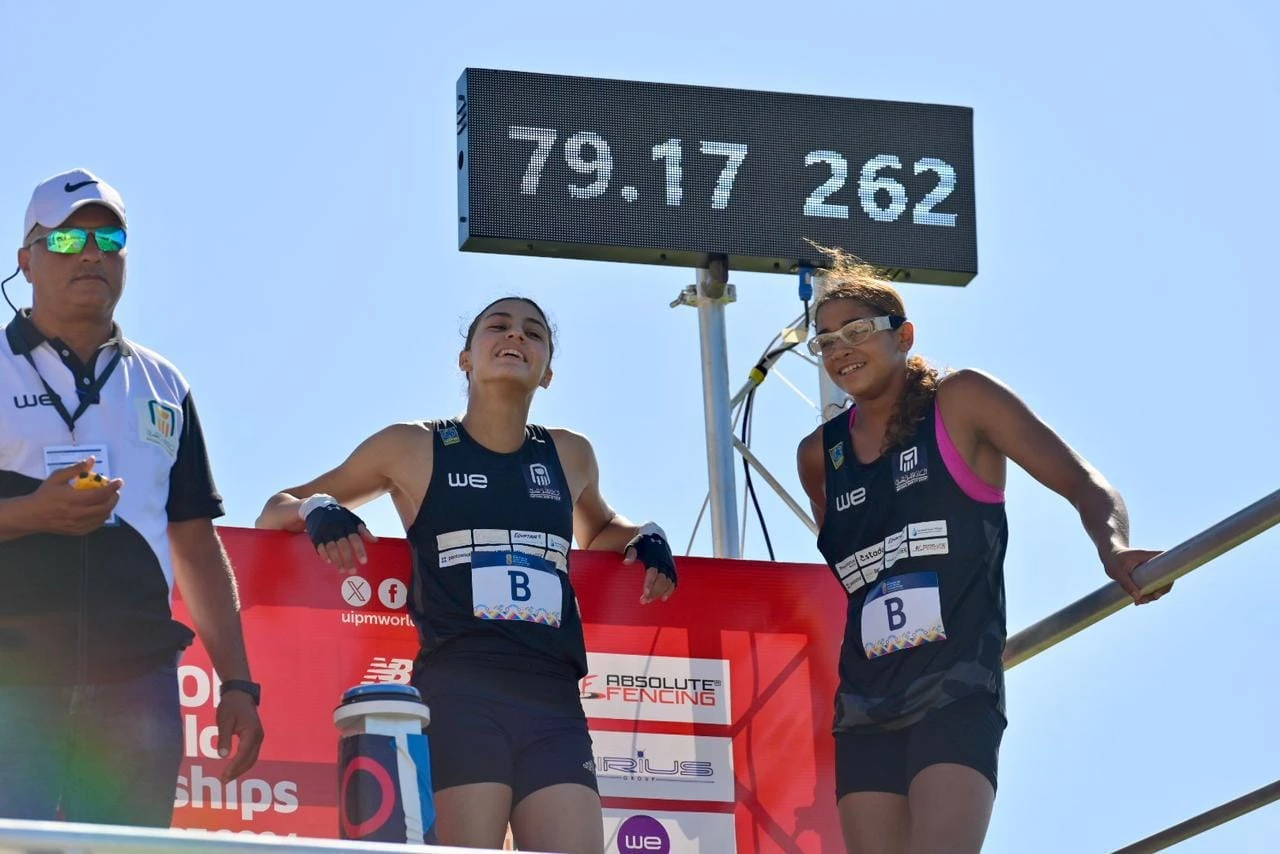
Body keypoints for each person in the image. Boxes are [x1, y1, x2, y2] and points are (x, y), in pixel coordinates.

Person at [255, 296, 677, 853]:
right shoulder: (412, 446)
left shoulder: (570, 454)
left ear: (548, 372)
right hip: (460, 694)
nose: (515, 336)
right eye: (497, 326)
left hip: (553, 698)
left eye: (534, 332)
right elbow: (275, 508)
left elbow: (598, 531)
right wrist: (317, 509)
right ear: (465, 359)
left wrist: (647, 534)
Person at [795, 248, 1166, 854]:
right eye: (826, 341)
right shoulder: (819, 456)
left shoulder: (961, 400)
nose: (840, 350)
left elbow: (1083, 482)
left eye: (857, 331)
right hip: (865, 704)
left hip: (956, 689)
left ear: (904, 335)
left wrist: (1113, 548)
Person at [0, 169, 264, 826]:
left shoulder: (164, 384)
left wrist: (236, 682)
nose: (91, 253)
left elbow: (197, 548)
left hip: (135, 685)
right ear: (25, 260)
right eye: (66, 240)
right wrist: (33, 515)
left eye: (109, 237)